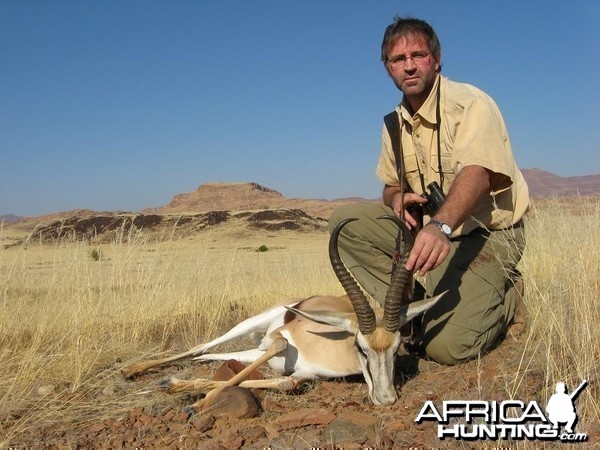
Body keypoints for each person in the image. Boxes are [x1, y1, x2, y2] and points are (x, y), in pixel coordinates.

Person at [329, 16, 530, 365]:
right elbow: (391, 184)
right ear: (387, 68)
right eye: (398, 60)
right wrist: (396, 199)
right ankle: (412, 308)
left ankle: (509, 294)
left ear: (436, 60)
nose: (409, 66)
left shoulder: (470, 104)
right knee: (345, 223)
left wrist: (440, 226)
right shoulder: (394, 123)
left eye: (418, 55)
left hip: (488, 235)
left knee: (445, 349)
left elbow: (478, 173)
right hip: (434, 237)